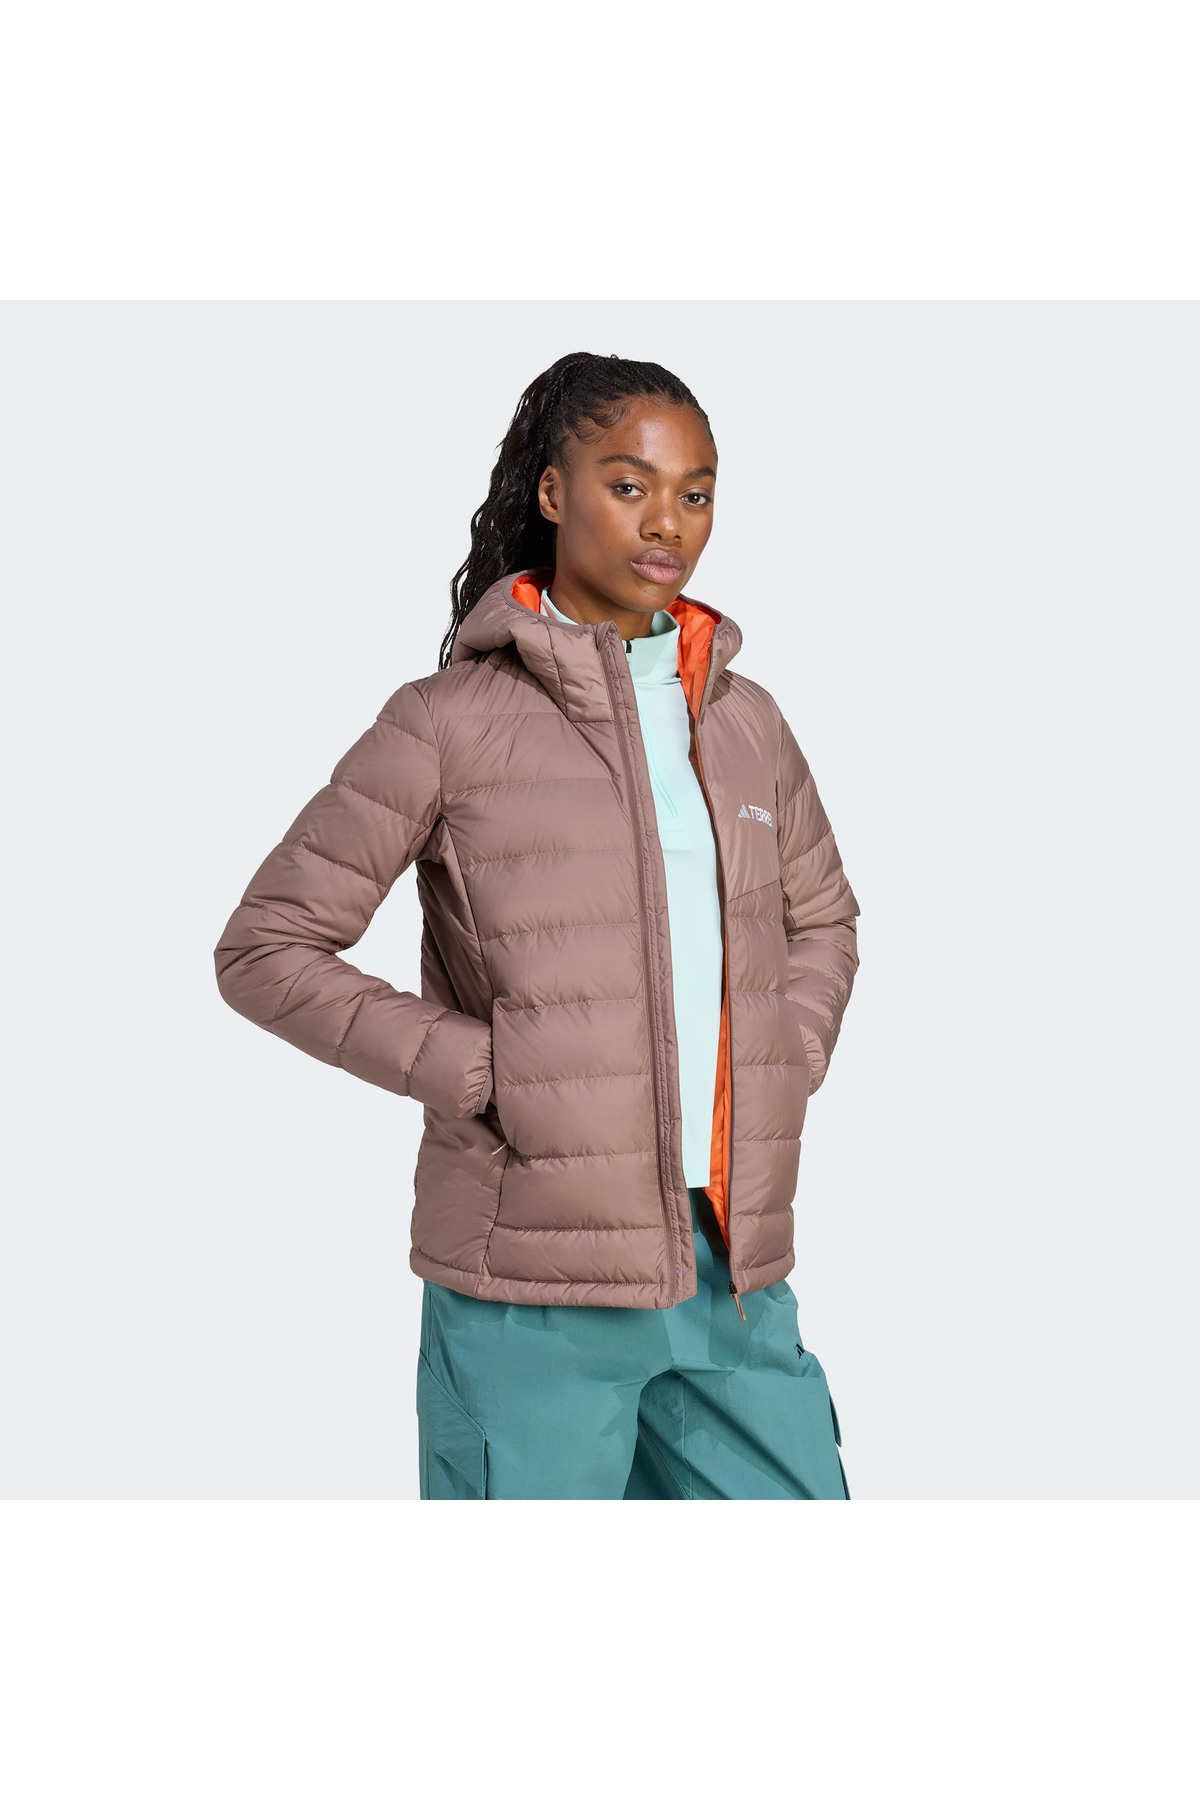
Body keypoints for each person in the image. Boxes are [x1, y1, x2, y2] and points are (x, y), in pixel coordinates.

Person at [214, 350, 861, 1500]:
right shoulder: (448, 722)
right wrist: (483, 1071)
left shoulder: (747, 721)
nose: (666, 522)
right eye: (629, 484)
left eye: (695, 493)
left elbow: (823, 921)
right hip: (530, 1290)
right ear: (555, 491)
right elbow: (267, 948)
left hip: (731, 1276)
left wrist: (784, 1054)